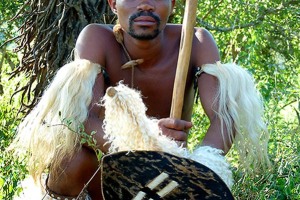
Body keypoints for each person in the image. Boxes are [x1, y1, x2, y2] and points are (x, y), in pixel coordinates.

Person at [11, 0, 269, 199]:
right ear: (113, 3)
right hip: (105, 167)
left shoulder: (196, 41)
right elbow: (82, 119)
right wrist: (145, 141)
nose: (145, 4)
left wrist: (200, 165)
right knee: (70, 160)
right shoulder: (96, 39)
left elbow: (224, 116)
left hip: (168, 174)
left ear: (173, 5)